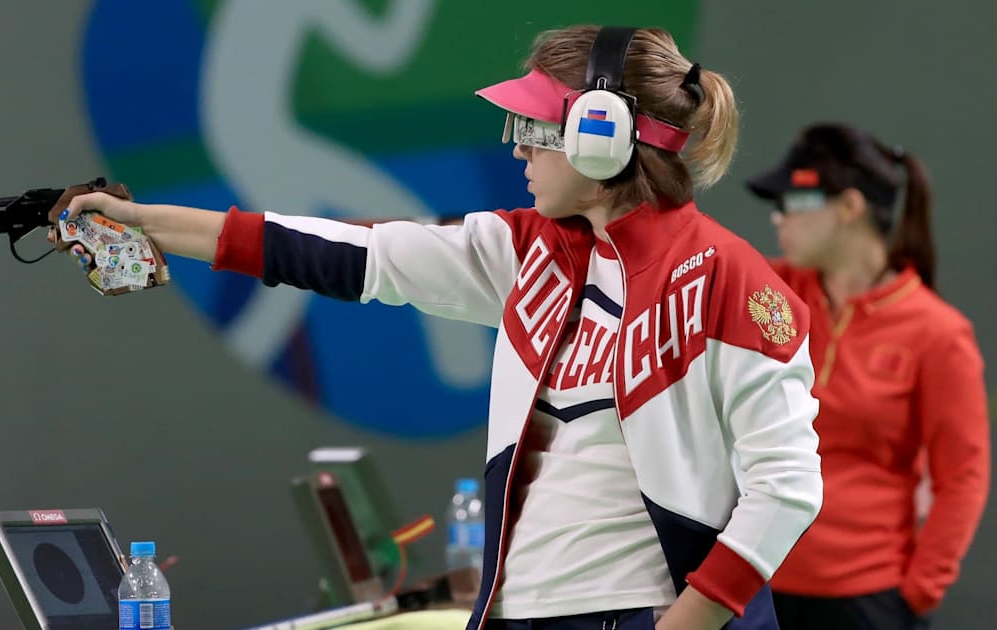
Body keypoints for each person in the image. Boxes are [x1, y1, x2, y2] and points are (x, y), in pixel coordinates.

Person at [53, 26, 823, 630]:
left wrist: (682, 627)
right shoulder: (526, 250)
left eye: (535, 126)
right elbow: (339, 252)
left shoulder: (732, 280)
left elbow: (787, 489)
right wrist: (145, 222)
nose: (518, 145)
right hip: (518, 614)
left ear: (601, 133)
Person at [745, 123, 990, 630]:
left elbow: (962, 477)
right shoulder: (769, 294)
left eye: (793, 200)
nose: (779, 217)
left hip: (866, 602)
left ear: (849, 208)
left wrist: (917, 593)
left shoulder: (939, 333)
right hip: (752, 584)